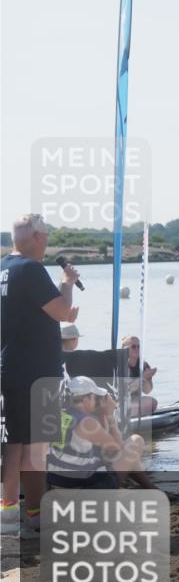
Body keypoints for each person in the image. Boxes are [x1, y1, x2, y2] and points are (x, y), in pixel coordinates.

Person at [1, 214, 79, 537]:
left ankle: (8, 512)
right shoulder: (31, 269)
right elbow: (63, 312)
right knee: (36, 447)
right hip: (36, 371)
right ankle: (35, 513)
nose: (46, 242)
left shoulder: (4, 268)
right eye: (45, 236)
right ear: (36, 237)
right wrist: (68, 285)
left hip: (11, 366)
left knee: (14, 443)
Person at [47, 376, 147, 490]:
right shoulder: (87, 423)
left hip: (59, 485)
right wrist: (110, 415)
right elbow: (118, 448)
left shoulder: (59, 416)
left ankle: (151, 487)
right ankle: (150, 488)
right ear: (85, 400)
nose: (96, 401)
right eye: (94, 397)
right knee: (136, 441)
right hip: (84, 489)